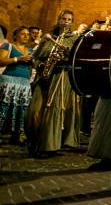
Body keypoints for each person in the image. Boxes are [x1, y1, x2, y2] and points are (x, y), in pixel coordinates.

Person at [25, 10, 82, 157]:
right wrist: (39, 65)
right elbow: (35, 57)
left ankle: (48, 146)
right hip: (43, 77)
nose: (66, 21)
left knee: (53, 110)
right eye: (63, 18)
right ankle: (33, 141)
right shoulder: (49, 37)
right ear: (59, 19)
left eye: (69, 19)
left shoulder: (74, 38)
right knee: (35, 111)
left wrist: (66, 55)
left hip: (61, 76)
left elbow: (78, 58)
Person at [0, 26, 34, 144]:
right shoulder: (7, 46)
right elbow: (1, 61)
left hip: (24, 83)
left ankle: (17, 135)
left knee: (21, 110)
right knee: (4, 108)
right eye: (22, 34)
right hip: (8, 81)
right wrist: (18, 59)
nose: (26, 36)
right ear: (15, 35)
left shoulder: (30, 51)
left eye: (28, 34)